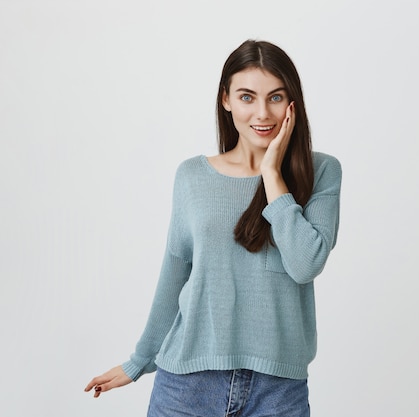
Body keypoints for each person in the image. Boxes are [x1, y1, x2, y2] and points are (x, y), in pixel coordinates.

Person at [83, 39, 342, 417]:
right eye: (247, 97)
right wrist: (139, 361)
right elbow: (175, 272)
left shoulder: (321, 172)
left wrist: (272, 174)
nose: (262, 112)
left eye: (275, 97)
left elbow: (306, 264)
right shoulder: (192, 176)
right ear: (226, 100)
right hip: (186, 385)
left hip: (277, 391)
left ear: (292, 103)